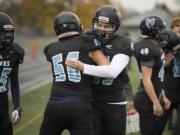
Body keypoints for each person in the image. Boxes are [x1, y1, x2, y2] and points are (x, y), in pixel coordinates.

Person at [39, 11, 110, 135]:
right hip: (80, 104)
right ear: (78, 26)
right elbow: (107, 69)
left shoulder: (50, 48)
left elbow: (54, 75)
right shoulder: (87, 41)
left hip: (55, 104)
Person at [66, 5, 133, 135]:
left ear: (115, 27)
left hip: (114, 102)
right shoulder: (87, 38)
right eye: (99, 25)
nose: (102, 29)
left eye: (107, 26)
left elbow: (113, 72)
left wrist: (83, 67)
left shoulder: (123, 43)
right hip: (91, 101)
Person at [133, 16, 171, 135]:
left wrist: (163, 96)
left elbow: (157, 76)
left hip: (154, 95)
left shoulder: (155, 46)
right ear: (153, 31)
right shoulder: (147, 47)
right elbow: (146, 79)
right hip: (146, 98)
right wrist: (155, 102)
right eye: (161, 29)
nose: (164, 32)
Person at [0, 12, 24, 135]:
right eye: (4, 33)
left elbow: (14, 83)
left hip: (2, 103)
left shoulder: (14, 52)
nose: (8, 36)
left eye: (10, 32)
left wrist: (17, 107)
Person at [157, 16, 180, 135]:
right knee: (158, 126)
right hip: (167, 90)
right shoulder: (164, 45)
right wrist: (165, 63)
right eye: (177, 26)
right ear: (171, 29)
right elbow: (155, 69)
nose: (179, 28)